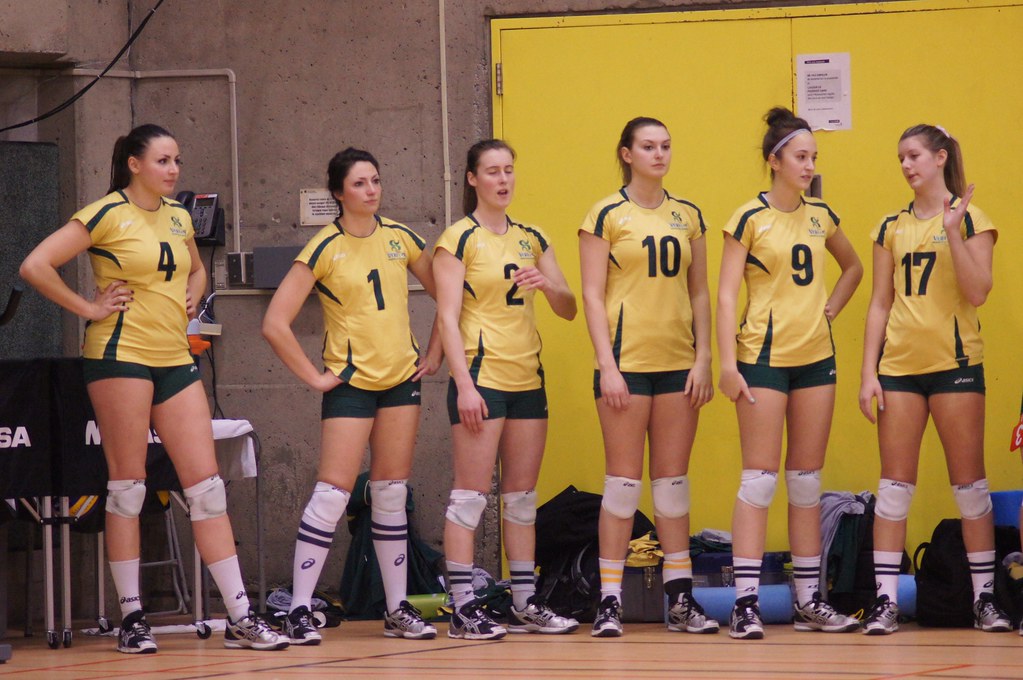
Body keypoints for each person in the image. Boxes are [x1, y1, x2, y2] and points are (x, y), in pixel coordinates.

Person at [19, 124, 286, 653]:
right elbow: (35, 265)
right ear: (135, 164)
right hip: (119, 356)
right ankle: (132, 618)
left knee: (206, 487)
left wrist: (195, 290)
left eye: (177, 160)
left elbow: (196, 268)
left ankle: (239, 616)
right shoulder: (104, 213)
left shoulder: (179, 214)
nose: (174, 169)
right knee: (129, 485)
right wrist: (89, 308)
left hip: (174, 357)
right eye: (163, 160)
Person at [262, 147, 442, 643]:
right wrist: (316, 377)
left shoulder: (401, 237)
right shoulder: (323, 247)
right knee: (332, 493)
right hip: (352, 385)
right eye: (360, 183)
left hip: (401, 381)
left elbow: (451, 297)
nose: (372, 190)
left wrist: (435, 351)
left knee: (389, 493)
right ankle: (299, 608)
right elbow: (275, 323)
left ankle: (398, 608)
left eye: (376, 181)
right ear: (339, 193)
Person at [858, 124, 1010, 635]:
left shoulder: (973, 221)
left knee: (970, 488)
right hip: (899, 370)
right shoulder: (889, 227)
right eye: (900, 157)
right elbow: (880, 303)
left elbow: (979, 291)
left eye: (915, 155)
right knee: (894, 488)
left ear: (940, 157)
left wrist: (951, 229)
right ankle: (884, 601)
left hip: (956, 367)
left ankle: (984, 598)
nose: (906, 165)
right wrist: (867, 374)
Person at [717, 108, 862, 640]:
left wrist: (831, 309)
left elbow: (854, 267)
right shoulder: (747, 218)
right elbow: (727, 291)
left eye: (813, 158)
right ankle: (745, 603)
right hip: (762, 359)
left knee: (806, 482)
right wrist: (727, 363)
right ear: (774, 161)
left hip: (816, 360)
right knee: (758, 481)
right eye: (801, 157)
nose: (809, 166)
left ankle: (807, 600)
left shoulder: (822, 213)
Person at [579, 116, 717, 638]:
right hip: (626, 366)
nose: (659, 154)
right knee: (621, 485)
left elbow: (700, 291)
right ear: (627, 153)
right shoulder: (606, 213)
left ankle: (680, 600)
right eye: (648, 146)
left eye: (665, 145)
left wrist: (704, 357)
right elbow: (592, 293)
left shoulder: (689, 215)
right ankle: (609, 601)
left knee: (673, 487)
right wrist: (607, 366)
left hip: (678, 365)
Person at [434, 139, 578, 640]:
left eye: (509, 170)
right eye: (492, 171)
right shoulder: (458, 238)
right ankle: (463, 607)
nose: (503, 179)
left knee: (520, 498)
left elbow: (568, 308)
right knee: (470, 497)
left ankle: (524, 601)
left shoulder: (532, 235)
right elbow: (447, 319)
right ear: (472, 178)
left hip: (527, 379)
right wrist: (464, 385)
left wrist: (550, 285)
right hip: (483, 379)